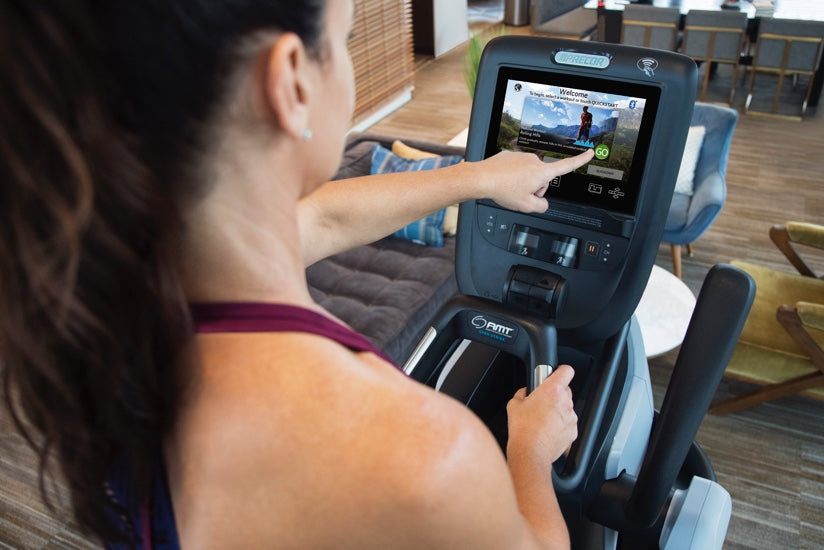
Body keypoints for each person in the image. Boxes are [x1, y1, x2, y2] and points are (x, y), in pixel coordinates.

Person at [0, 1, 594, 548]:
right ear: (289, 81)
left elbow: (324, 218)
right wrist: (530, 453)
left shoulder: (93, 297)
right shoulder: (425, 454)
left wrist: (479, 177)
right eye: (345, 41)